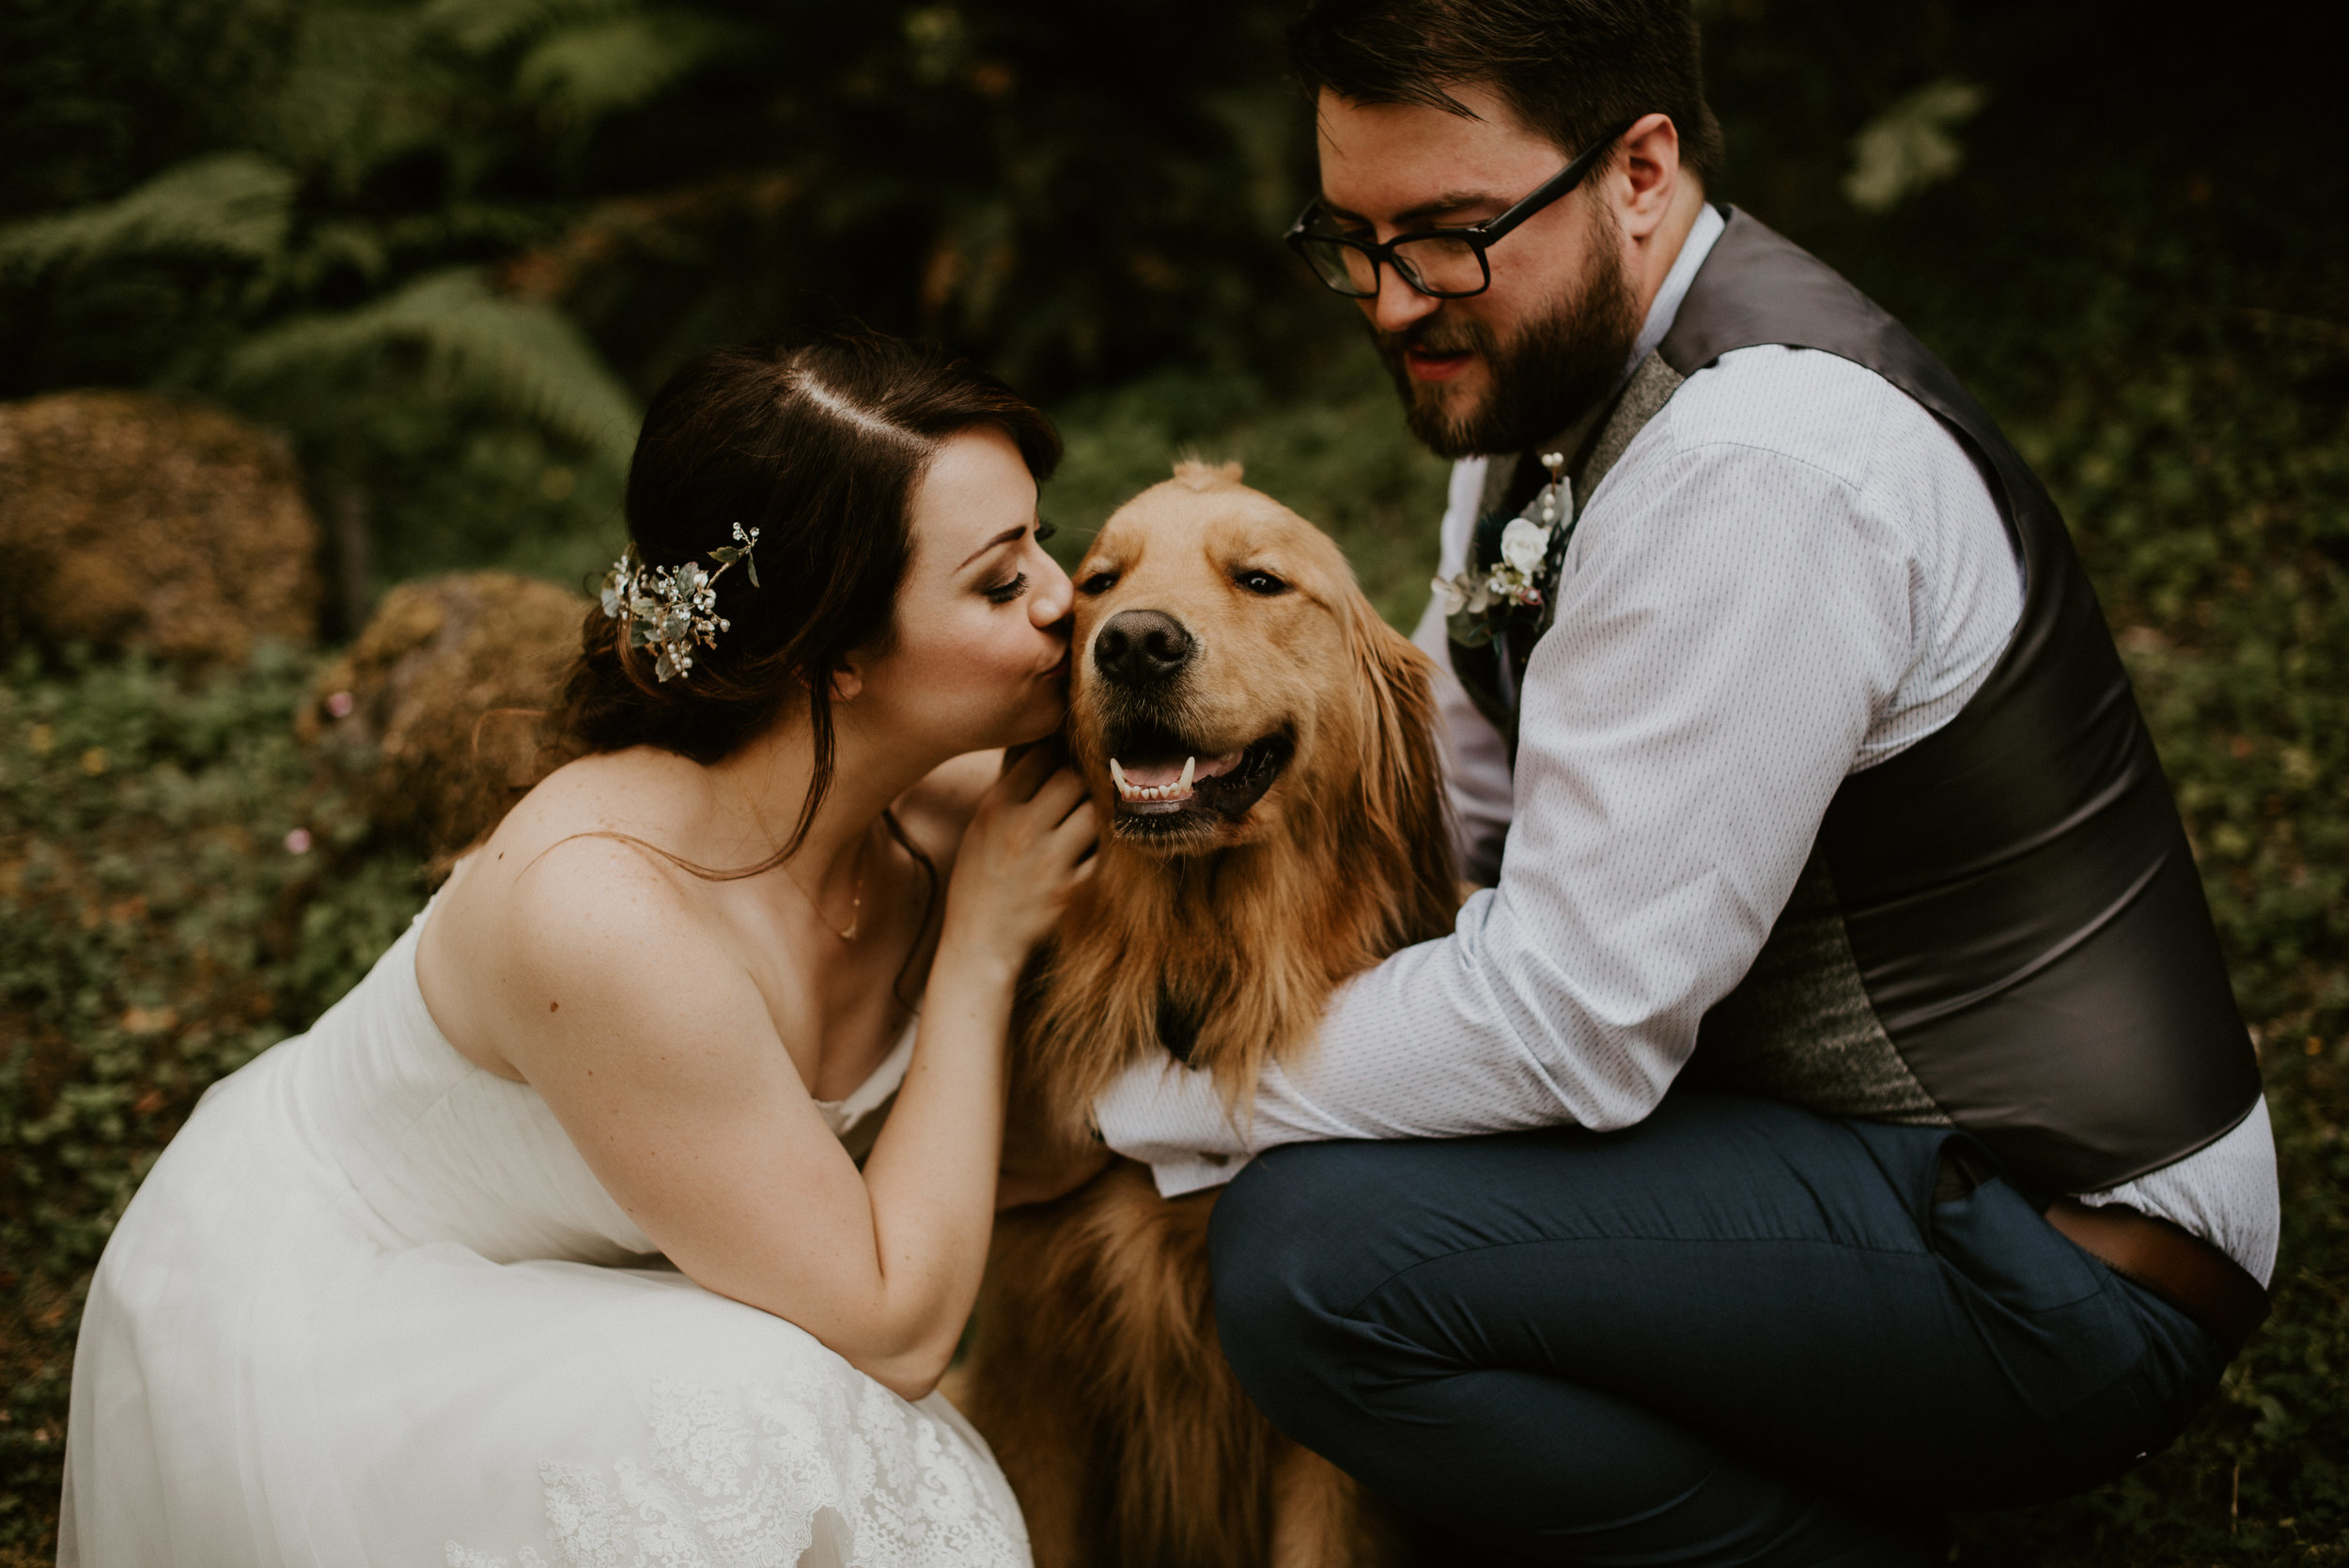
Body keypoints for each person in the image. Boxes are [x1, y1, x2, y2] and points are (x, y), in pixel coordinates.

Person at [1091, 2, 2280, 1561]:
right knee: (1351, 1169)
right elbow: (1463, 815)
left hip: (2060, 1254)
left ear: (1640, 170)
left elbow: (1569, 1021)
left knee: (1313, 1258)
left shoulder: (1754, 464)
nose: (1390, 303)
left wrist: (1141, 1100)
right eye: (1354, 240)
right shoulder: (1543, 393)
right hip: (1836, 1161)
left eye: (1448, 235)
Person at [60, 333, 1097, 1566]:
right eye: (996, 581)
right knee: (779, 1406)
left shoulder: (937, 797)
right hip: (336, 1303)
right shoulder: (607, 911)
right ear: (837, 657)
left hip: (597, 1270)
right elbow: (895, 1322)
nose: (1060, 596)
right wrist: (979, 952)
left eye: (1040, 539)